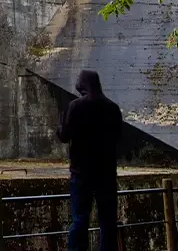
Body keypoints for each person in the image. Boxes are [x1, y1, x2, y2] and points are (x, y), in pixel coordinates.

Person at [57, 69, 123, 251]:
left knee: (80, 219)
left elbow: (63, 135)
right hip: (106, 173)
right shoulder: (112, 108)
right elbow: (119, 137)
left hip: (81, 172)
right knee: (108, 222)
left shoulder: (76, 106)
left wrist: (61, 123)